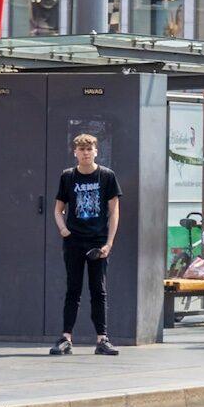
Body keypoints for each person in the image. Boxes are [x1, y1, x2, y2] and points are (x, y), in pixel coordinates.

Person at [49, 132, 121, 357]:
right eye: (81, 150)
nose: (86, 153)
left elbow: (114, 211)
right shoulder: (68, 176)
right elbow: (58, 208)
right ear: (75, 153)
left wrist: (109, 243)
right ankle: (66, 338)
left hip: (97, 241)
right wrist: (63, 229)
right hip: (74, 241)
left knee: (98, 290)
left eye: (89, 149)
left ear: (96, 151)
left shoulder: (107, 176)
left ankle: (102, 339)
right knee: (73, 288)